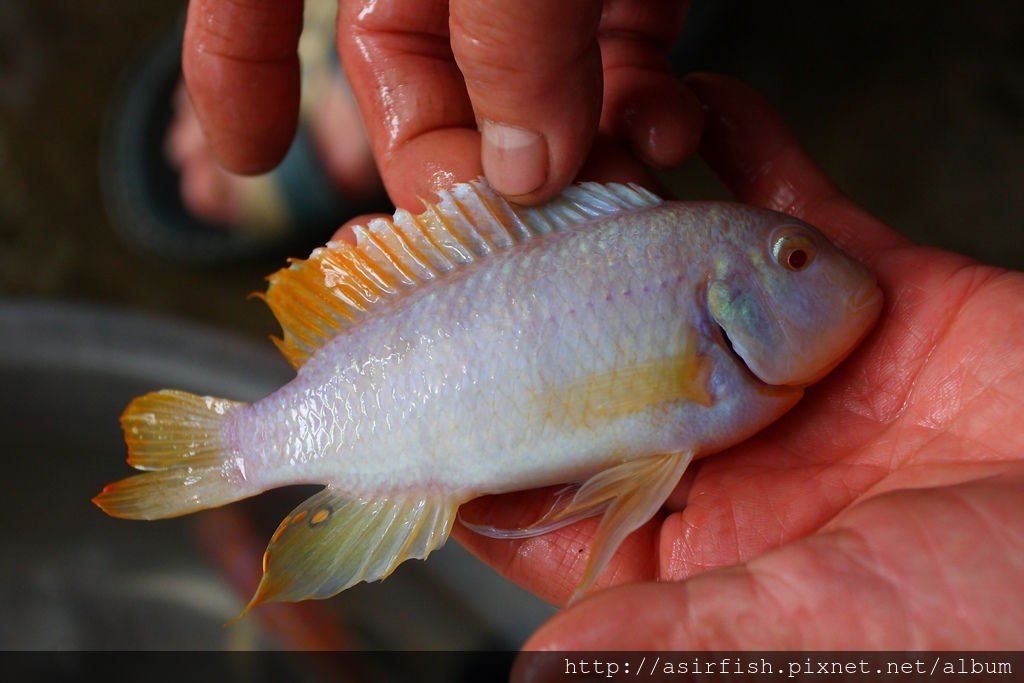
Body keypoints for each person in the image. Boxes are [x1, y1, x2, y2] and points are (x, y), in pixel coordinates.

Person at [179, 0, 1024, 651]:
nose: (836, 273)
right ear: (726, 296)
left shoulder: (729, 358)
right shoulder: (710, 364)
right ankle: (245, 446)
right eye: (794, 259)